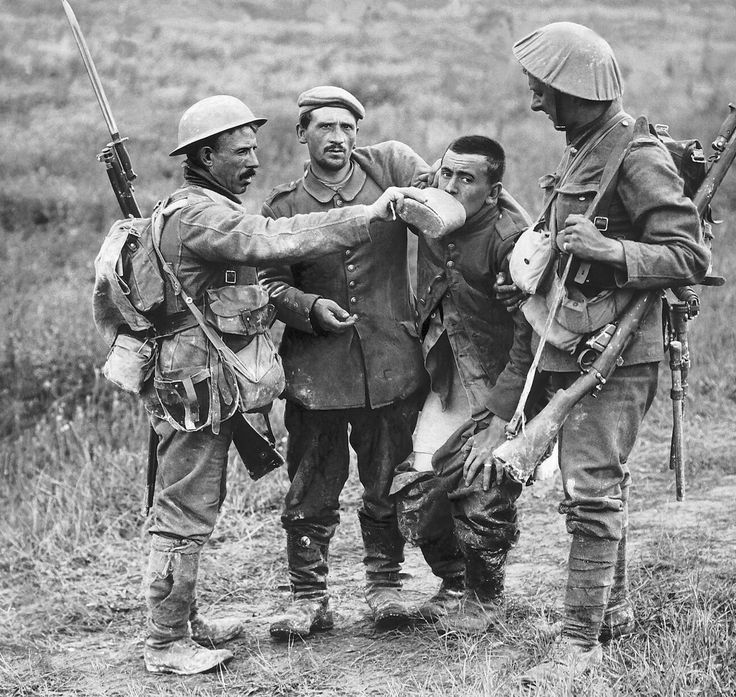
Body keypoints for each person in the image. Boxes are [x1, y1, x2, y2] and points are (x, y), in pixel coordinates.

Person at [118, 94, 424, 675]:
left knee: (196, 501)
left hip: (203, 380)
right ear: (205, 155)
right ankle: (164, 642)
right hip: (196, 386)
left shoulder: (194, 205)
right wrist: (366, 217)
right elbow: (272, 242)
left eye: (255, 147)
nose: (253, 160)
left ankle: (183, 622)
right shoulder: (202, 216)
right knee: (185, 509)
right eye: (240, 150)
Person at [509, 23, 709, 684]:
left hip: (619, 355)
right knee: (585, 488)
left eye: (546, 89)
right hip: (575, 341)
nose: (538, 101)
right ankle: (611, 615)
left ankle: (579, 645)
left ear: (577, 89)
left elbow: (687, 255)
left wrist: (608, 251)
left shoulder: (634, 151)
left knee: (591, 489)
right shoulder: (584, 146)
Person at [258, 86, 430, 638]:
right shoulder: (283, 207)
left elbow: (442, 211)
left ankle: (385, 586)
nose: (337, 138)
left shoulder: (390, 182)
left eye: (348, 128)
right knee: (311, 486)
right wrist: (306, 307)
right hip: (316, 373)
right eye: (325, 128)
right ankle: (310, 597)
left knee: (387, 482)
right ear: (302, 133)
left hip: (390, 365)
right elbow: (268, 283)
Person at [390, 135, 538, 632]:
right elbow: (383, 158)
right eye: (446, 174)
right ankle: (454, 584)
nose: (451, 186)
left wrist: (501, 417)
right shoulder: (429, 203)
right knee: (416, 492)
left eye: (467, 179)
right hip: (445, 373)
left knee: (482, 485)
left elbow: (530, 339)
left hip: (500, 385)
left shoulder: (511, 241)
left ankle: (485, 598)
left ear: (493, 192)